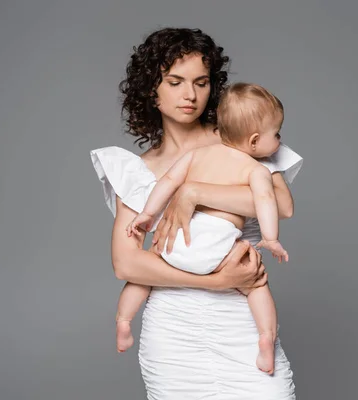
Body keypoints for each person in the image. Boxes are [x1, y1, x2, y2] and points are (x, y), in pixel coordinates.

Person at [90, 28, 302, 399]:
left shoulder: (242, 139)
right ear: (151, 90)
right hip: (174, 334)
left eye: (201, 83)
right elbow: (127, 265)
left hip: (243, 323)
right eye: (175, 82)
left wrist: (194, 192)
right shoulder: (137, 168)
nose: (190, 95)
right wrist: (214, 282)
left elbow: (282, 206)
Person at [122, 82, 292, 374]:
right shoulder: (257, 170)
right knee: (256, 286)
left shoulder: (198, 154)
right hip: (217, 254)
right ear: (253, 141)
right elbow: (267, 201)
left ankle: (124, 320)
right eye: (276, 134)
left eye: (201, 83)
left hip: (177, 244)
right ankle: (266, 339)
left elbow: (168, 183)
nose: (279, 140)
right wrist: (270, 238)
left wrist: (148, 214)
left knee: (144, 274)